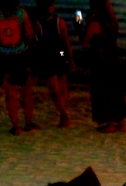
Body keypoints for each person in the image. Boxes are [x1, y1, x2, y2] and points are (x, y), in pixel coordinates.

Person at [0, 0, 37, 135]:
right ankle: (28, 123)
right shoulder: (20, 12)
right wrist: (33, 50)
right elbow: (29, 33)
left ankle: (15, 125)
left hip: (4, 54)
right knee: (27, 91)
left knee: (10, 93)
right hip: (21, 53)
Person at [83, 0, 126, 133]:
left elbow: (85, 42)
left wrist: (81, 24)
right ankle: (121, 123)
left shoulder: (94, 24)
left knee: (103, 91)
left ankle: (110, 123)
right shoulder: (112, 22)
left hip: (101, 60)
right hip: (114, 58)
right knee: (116, 91)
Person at [33, 0, 75, 128]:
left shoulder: (36, 23)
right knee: (62, 85)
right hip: (60, 54)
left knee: (55, 89)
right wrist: (70, 59)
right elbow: (66, 42)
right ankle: (64, 112)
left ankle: (63, 114)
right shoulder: (59, 21)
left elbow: (35, 43)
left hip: (47, 56)